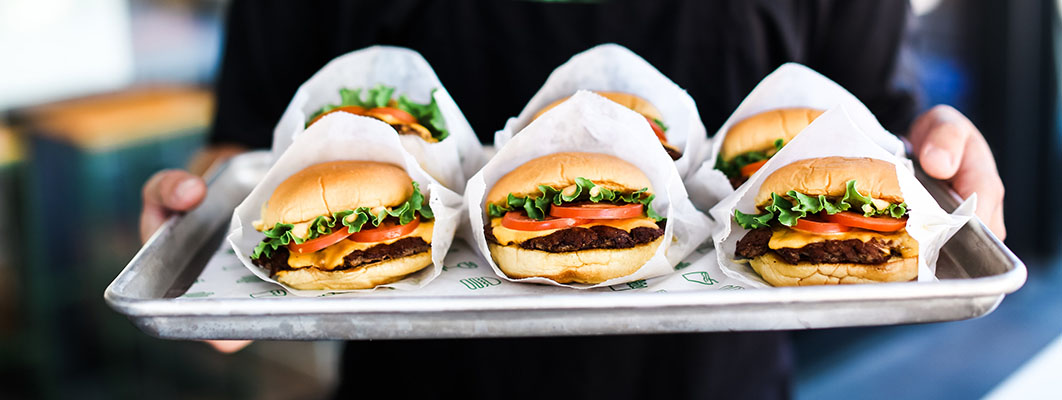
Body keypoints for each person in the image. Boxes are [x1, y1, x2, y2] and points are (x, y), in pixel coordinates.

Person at [140, 1, 1006, 399]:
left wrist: (939, 182)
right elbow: (247, 149)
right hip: (413, 376)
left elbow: (870, 141)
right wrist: (212, 242)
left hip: (721, 379)